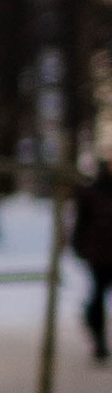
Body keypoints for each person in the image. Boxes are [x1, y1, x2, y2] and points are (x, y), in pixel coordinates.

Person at [74, 157, 112, 366]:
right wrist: (80, 247)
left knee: (98, 297)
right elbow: (81, 224)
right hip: (99, 255)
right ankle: (99, 342)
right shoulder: (92, 192)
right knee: (98, 297)